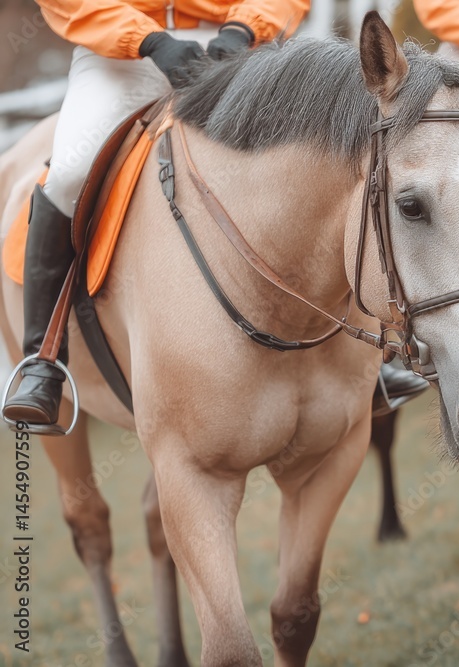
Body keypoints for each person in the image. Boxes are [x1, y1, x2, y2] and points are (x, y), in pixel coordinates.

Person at [3, 1, 309, 426]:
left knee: (322, 154)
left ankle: (364, 357)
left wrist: (244, 27)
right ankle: (43, 361)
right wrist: (148, 39)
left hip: (238, 44)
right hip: (118, 55)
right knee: (71, 171)